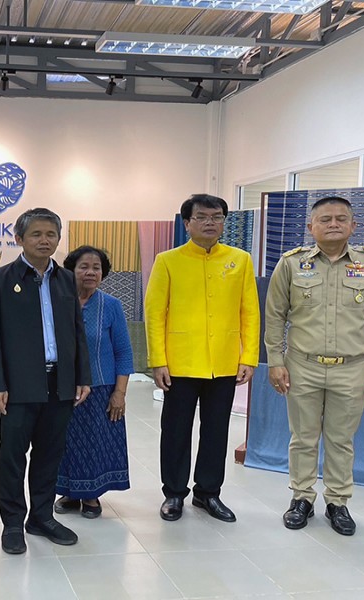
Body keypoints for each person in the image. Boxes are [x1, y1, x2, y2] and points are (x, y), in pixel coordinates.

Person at [265, 196, 364, 536]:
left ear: (353, 226)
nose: (333, 224)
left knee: (341, 439)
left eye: (341, 218)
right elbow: (275, 316)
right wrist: (275, 361)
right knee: (303, 437)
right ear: (311, 227)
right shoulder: (291, 264)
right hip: (302, 365)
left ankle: (337, 501)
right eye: (325, 219)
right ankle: (302, 498)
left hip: (352, 367)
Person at [0, 207, 91, 555]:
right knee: (13, 457)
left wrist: (82, 376)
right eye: (36, 234)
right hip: (18, 385)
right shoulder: (0, 280)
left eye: (51, 234)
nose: (45, 241)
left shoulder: (66, 279)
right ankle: (13, 523)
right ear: (19, 238)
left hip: (60, 383)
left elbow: (77, 331)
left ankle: (41, 517)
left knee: (49, 455)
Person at [145, 194, 260, 523]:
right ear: (187, 223)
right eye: (202, 217)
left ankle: (208, 493)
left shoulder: (239, 260)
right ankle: (174, 493)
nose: (210, 222)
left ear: (224, 222)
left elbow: (250, 312)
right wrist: (158, 360)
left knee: (216, 430)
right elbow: (155, 313)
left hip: (223, 362)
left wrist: (249, 357)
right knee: (175, 430)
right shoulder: (168, 260)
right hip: (179, 362)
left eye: (217, 217)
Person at [54, 246, 133, 518]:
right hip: (62, 388)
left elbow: (124, 352)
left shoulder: (111, 305)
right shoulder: (57, 303)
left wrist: (119, 393)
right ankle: (68, 492)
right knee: (63, 442)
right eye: (84, 267)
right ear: (71, 271)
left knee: (95, 444)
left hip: (101, 390)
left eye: (96, 267)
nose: (90, 272)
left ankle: (91, 495)